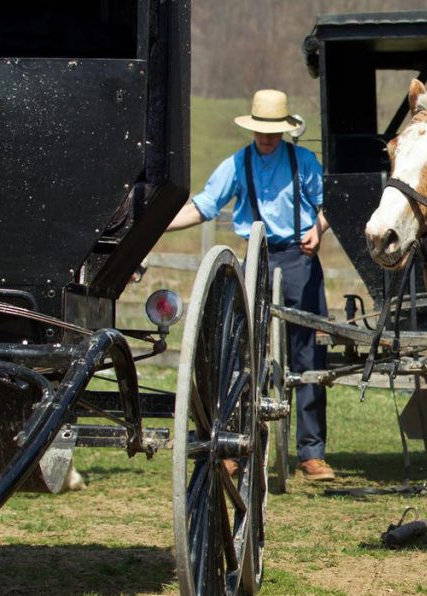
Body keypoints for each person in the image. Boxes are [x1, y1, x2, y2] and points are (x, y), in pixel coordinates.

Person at [168, 89, 336, 481]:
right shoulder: (237, 164)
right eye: (261, 130)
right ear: (252, 128)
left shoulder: (303, 161)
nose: (267, 137)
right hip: (257, 260)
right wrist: (155, 225)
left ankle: (312, 454)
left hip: (300, 258)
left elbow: (329, 204)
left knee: (308, 355)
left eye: (274, 131)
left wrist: (318, 229)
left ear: (282, 131)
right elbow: (203, 206)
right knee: (245, 354)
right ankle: (238, 444)